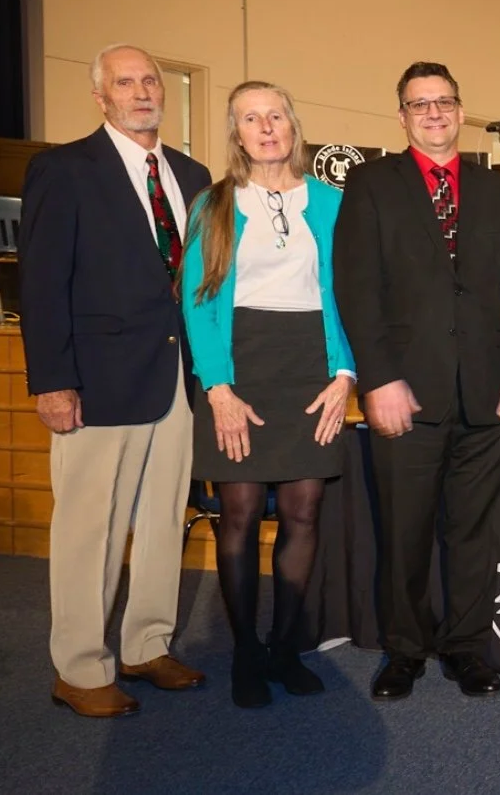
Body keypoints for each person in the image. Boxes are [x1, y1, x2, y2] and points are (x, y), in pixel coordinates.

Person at [332, 61, 500, 700]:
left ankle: (466, 647)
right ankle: (405, 648)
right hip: (405, 395)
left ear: (460, 109)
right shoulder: (370, 185)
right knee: (405, 530)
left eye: (444, 102)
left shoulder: (497, 190)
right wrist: (379, 379)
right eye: (419, 104)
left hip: (484, 394)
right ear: (401, 116)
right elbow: (356, 289)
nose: (433, 113)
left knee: (475, 531)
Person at [19, 43, 212, 718]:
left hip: (176, 379)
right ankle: (78, 667)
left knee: (163, 522)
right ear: (101, 97)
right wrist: (52, 380)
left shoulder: (192, 173)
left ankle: (145, 645)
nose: (141, 92)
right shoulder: (64, 170)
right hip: (96, 383)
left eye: (150, 80)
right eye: (125, 83)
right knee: (89, 529)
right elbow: (41, 284)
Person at [181, 80, 355, 708]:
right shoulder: (215, 205)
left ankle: (284, 649)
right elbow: (198, 302)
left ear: (293, 124)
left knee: (304, 511)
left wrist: (345, 375)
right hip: (239, 368)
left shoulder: (334, 203)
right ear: (237, 133)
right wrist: (218, 389)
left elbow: (352, 296)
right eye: (251, 118)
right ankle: (245, 656)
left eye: (275, 114)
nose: (266, 127)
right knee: (242, 513)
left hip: (312, 366)